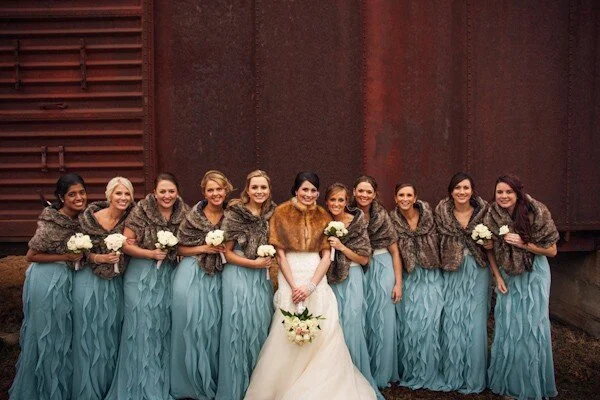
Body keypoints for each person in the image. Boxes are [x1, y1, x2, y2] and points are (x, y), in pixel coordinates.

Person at [244, 171, 376, 399]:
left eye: (313, 190)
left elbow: (326, 256)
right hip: (290, 276)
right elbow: (280, 255)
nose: (308, 194)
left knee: (323, 327)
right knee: (285, 326)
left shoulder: (323, 216)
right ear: (296, 190)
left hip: (316, 276)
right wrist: (293, 286)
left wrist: (311, 286)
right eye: (304, 189)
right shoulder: (281, 213)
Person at [105, 173, 188, 400]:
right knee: (141, 327)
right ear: (154, 193)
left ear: (177, 192)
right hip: (141, 274)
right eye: (163, 191)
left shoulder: (184, 212)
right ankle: (137, 385)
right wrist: (150, 253)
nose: (167, 196)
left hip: (167, 276)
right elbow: (126, 244)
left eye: (171, 191)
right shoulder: (141, 210)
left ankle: (159, 382)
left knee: (161, 328)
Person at [10, 173, 87, 400]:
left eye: (82, 192)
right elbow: (31, 255)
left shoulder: (82, 219)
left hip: (65, 279)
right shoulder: (52, 223)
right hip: (46, 280)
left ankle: (61, 386)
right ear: (62, 198)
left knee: (64, 333)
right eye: (72, 194)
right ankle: (43, 388)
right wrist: (66, 256)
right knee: (48, 334)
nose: (79, 198)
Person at [485, 174, 558, 399]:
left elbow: (552, 250)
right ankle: (510, 383)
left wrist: (524, 243)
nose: (504, 196)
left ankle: (531, 383)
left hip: (534, 273)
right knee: (508, 325)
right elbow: (489, 249)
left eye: (509, 192)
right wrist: (497, 277)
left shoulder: (536, 211)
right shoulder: (492, 214)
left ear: (518, 193)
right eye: (500, 192)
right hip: (508, 275)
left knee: (531, 326)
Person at [170, 170, 232, 399]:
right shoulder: (193, 217)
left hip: (219, 275)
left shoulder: (232, 215)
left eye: (219, 189)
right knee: (191, 324)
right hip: (193, 272)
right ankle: (188, 382)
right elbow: (179, 248)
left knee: (212, 327)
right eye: (210, 190)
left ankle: (212, 377)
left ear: (226, 190)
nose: (215, 193)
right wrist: (204, 248)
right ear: (204, 193)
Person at [72, 177, 134, 399]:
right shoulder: (89, 218)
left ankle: (108, 383)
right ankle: (88, 387)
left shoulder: (131, 218)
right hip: (90, 280)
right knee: (89, 330)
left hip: (115, 282)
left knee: (110, 330)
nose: (123, 198)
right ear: (109, 195)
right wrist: (98, 257)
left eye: (127, 194)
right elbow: (76, 249)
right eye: (118, 193)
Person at [216, 170, 276, 400]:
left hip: (261, 277)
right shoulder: (235, 214)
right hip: (239, 273)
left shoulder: (273, 213)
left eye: (263, 187)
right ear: (247, 190)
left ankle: (257, 387)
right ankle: (236, 386)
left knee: (260, 325)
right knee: (238, 328)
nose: (259, 191)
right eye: (255, 187)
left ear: (269, 190)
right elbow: (227, 253)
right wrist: (253, 263)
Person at [434, 172, 491, 394]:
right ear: (451, 192)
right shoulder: (441, 213)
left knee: (475, 321)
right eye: (457, 188)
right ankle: (453, 373)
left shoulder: (485, 212)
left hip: (478, 271)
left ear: (472, 190)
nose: (462, 192)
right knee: (452, 318)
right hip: (452, 270)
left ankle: (474, 376)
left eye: (466, 188)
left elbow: (495, 241)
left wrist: (489, 243)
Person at [325, 183, 382, 399]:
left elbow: (364, 259)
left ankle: (356, 373)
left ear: (347, 201)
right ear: (326, 202)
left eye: (341, 200)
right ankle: (335, 377)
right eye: (333, 200)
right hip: (331, 279)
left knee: (352, 323)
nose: (336, 204)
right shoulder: (322, 220)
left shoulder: (356, 223)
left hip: (353, 277)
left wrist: (342, 247)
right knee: (334, 324)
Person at [390, 183, 444, 391]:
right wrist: (398, 282)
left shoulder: (430, 217)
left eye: (409, 195)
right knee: (410, 324)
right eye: (401, 195)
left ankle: (429, 370)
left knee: (429, 323)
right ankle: (411, 370)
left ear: (415, 198)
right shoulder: (392, 220)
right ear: (395, 198)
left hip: (431, 276)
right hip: (409, 277)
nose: (405, 199)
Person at [351, 176, 402, 388]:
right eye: (361, 191)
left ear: (374, 194)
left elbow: (395, 251)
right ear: (354, 192)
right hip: (357, 268)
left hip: (382, 266)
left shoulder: (382, 216)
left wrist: (398, 283)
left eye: (368, 192)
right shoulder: (347, 213)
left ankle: (383, 371)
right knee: (363, 317)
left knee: (383, 318)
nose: (364, 195)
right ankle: (362, 368)